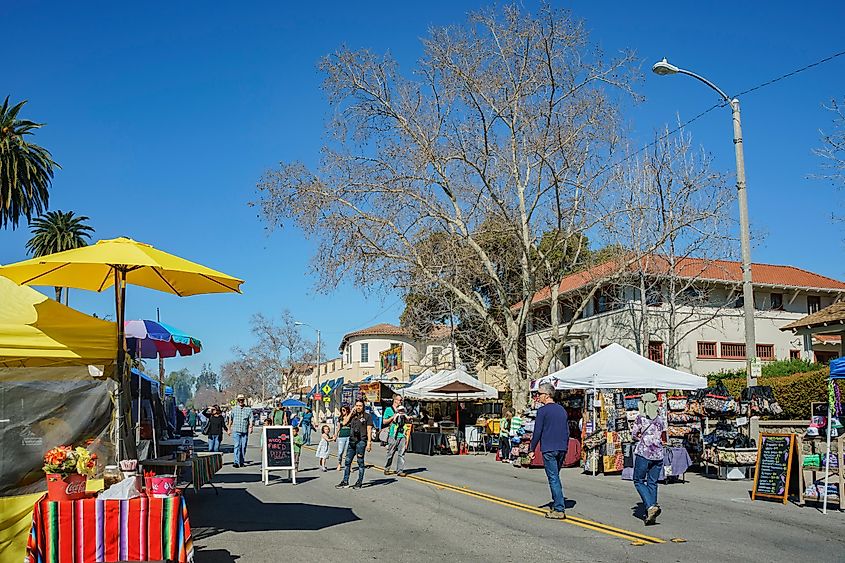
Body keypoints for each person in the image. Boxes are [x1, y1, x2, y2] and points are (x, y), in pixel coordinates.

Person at [529, 382, 569, 520]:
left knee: (553, 478)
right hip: (561, 447)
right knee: (555, 477)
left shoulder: (542, 411)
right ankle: (557, 503)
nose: (537, 396)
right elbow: (566, 431)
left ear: (547, 395)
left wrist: (531, 448)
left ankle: (559, 508)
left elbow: (537, 431)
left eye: (539, 394)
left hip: (549, 448)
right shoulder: (562, 410)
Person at [631, 392, 667, 526]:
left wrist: (640, 437)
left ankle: (651, 506)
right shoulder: (660, 418)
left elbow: (634, 434)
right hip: (658, 454)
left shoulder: (641, 418)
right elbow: (663, 432)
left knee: (638, 480)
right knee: (652, 482)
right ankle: (651, 512)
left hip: (644, 452)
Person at [336, 399, 373, 489]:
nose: (358, 407)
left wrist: (369, 442)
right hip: (352, 441)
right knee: (347, 461)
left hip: (361, 441)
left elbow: (369, 430)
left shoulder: (367, 416)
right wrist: (351, 413)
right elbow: (344, 423)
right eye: (357, 405)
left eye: (360, 406)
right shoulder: (352, 416)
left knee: (360, 462)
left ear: (363, 407)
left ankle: (359, 482)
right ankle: (345, 481)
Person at [383, 395, 408, 477]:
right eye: (399, 400)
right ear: (395, 400)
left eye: (401, 400)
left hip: (402, 434)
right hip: (393, 434)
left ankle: (400, 470)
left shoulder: (403, 410)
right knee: (390, 452)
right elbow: (384, 422)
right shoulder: (389, 409)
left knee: (402, 453)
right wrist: (392, 417)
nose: (400, 402)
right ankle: (387, 468)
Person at [228, 394, 253, 468]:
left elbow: (251, 418)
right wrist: (229, 428)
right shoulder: (234, 409)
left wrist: (251, 427)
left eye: (242, 400)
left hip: (244, 430)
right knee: (237, 446)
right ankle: (236, 462)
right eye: (239, 400)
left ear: (244, 400)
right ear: (237, 401)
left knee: (243, 446)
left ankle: (242, 461)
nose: (241, 401)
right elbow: (230, 419)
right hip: (236, 430)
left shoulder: (248, 409)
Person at [336, 405, 352, 471]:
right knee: (340, 452)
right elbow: (338, 427)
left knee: (348, 452)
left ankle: (349, 466)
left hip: (349, 436)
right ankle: (339, 463)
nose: (342, 412)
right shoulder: (340, 418)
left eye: (344, 410)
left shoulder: (351, 418)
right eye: (342, 410)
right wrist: (335, 434)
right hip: (342, 436)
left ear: (347, 410)